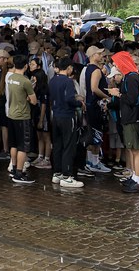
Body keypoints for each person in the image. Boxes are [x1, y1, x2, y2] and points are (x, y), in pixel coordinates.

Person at [113, 51, 139, 194]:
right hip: (129, 117)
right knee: (133, 149)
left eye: (116, 63)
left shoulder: (132, 78)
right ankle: (134, 177)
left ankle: (138, 180)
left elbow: (132, 99)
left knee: (137, 150)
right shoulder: (130, 77)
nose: (115, 65)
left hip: (133, 118)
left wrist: (118, 94)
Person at [48, 57, 82, 189]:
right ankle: (67, 175)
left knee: (57, 144)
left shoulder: (53, 80)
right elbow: (69, 99)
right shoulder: (68, 81)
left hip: (55, 115)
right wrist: (79, 103)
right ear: (68, 68)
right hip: (67, 116)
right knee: (68, 145)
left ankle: (57, 172)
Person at [4, 54, 37, 184]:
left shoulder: (10, 78)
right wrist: (29, 97)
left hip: (11, 114)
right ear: (26, 66)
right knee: (23, 146)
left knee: (13, 144)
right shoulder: (25, 81)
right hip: (22, 115)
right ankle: (19, 173)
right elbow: (33, 101)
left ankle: (13, 168)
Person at [81, 46, 112, 175]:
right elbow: (94, 88)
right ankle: (94, 162)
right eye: (99, 54)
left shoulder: (87, 69)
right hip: (95, 106)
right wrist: (107, 96)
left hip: (90, 105)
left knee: (90, 133)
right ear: (94, 55)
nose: (102, 56)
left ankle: (90, 162)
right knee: (97, 134)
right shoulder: (96, 70)